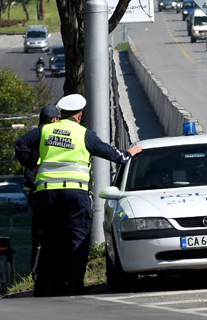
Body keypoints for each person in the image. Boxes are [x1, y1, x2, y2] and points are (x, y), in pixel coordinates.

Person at [15, 94, 143, 296]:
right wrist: (128, 153)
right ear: (80, 115)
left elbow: (20, 145)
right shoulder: (84, 134)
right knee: (77, 239)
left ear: (61, 114)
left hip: (46, 194)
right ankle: (75, 286)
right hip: (75, 193)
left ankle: (53, 286)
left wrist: (32, 166)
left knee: (50, 240)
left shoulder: (45, 130)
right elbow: (113, 155)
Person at [23, 104, 61, 297]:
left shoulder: (34, 139)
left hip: (40, 196)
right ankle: (52, 281)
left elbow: (28, 172)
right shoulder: (55, 139)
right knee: (54, 238)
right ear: (55, 120)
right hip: (52, 195)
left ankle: (42, 281)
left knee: (41, 241)